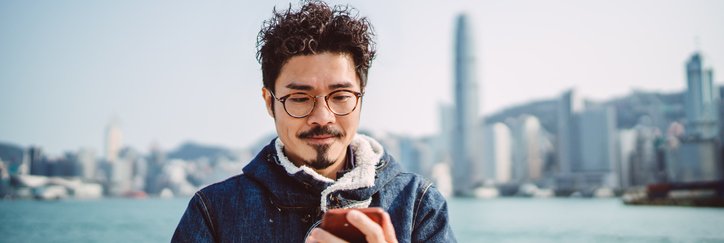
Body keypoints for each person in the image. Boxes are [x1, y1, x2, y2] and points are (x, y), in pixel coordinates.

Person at [172, 1, 455, 242]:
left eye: (341, 96)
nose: (322, 117)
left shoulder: (418, 205)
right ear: (269, 102)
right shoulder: (213, 212)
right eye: (299, 98)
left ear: (361, 97)